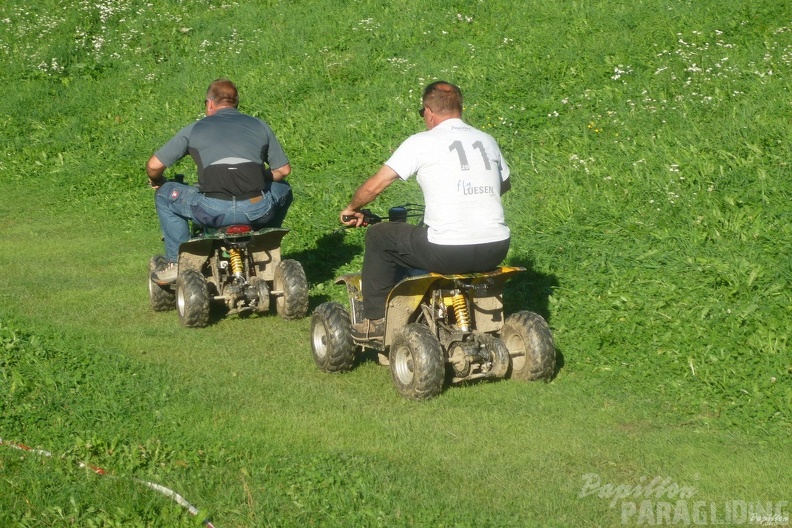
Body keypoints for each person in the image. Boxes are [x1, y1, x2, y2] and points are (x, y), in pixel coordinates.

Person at [340, 81, 512, 339]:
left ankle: (375, 320)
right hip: (496, 248)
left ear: (429, 112)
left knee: (379, 236)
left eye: (422, 114)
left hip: (448, 251)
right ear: (460, 108)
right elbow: (504, 184)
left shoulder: (421, 142)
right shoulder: (486, 140)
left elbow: (376, 186)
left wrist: (352, 208)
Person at [146, 78, 293, 284]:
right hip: (256, 209)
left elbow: (153, 166)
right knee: (283, 189)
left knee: (164, 194)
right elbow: (283, 170)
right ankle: (263, 240)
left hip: (212, 210)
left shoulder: (194, 129)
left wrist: (159, 180)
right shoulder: (259, 125)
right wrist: (260, 178)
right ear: (236, 103)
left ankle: (176, 263)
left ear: (210, 104)